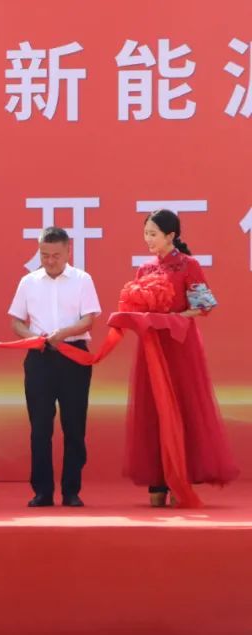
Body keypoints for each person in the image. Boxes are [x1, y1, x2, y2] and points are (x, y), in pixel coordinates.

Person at [124, 209, 238, 506]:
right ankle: (157, 477)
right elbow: (135, 307)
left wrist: (171, 318)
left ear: (170, 235)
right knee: (153, 408)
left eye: (153, 234)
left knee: (181, 405)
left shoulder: (189, 265)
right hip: (152, 346)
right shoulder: (144, 270)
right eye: (146, 233)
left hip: (180, 346)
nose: (148, 239)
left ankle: (181, 476)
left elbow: (203, 306)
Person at [9, 226, 101, 507]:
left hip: (73, 355)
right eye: (44, 255)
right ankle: (42, 491)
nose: (49, 261)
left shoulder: (82, 279)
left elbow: (89, 319)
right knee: (40, 427)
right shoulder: (28, 282)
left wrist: (63, 334)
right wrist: (32, 337)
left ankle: (71, 491)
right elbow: (16, 321)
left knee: (74, 426)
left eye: (55, 256)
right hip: (40, 357)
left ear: (68, 251)